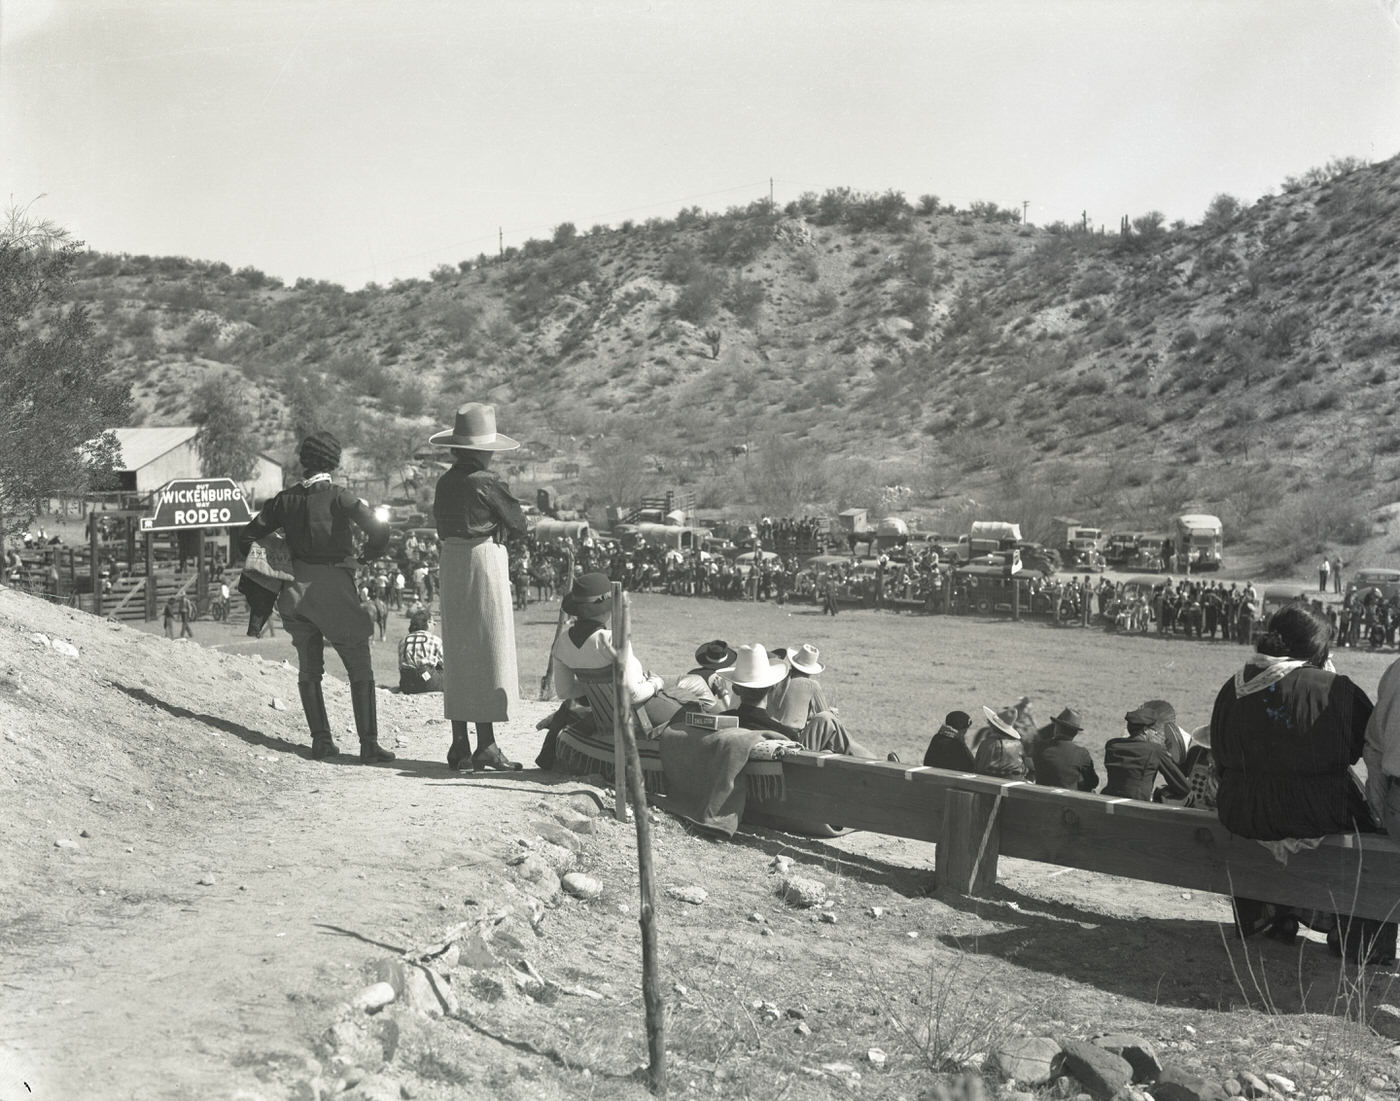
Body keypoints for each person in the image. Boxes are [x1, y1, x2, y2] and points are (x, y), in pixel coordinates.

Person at [1213, 603, 1393, 961]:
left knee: (1272, 815)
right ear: (1317, 648)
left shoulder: (1231, 688)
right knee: (1379, 836)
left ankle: (1270, 915)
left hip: (1241, 810)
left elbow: (1220, 755)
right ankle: (1358, 940)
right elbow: (1369, 745)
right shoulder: (1333, 688)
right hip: (1313, 811)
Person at [236, 431, 394, 763]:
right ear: (334, 462)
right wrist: (365, 557)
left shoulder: (284, 500)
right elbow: (380, 530)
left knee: (309, 668)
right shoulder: (341, 497)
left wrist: (280, 552)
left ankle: (321, 742)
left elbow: (247, 537)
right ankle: (368, 745)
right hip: (335, 588)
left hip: (294, 591)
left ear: (304, 461)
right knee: (359, 666)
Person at [431, 404, 529, 772]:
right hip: (482, 560)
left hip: (451, 560)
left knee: (459, 649)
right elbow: (519, 524)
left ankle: (459, 743)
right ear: (484, 450)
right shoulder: (486, 481)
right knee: (488, 648)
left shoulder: (445, 482)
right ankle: (486, 744)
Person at [723, 643, 876, 757]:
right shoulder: (785, 735)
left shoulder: (722, 723)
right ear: (771, 688)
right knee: (827, 719)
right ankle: (874, 761)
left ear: (735, 689)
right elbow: (822, 713)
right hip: (793, 764)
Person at [1101, 708, 1188, 801]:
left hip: (1107, 799)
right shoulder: (1154, 750)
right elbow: (1183, 787)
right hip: (1136, 804)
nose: (1155, 733)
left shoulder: (1112, 745)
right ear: (1145, 730)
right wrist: (1162, 791)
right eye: (1154, 730)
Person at [767, 643, 833, 730]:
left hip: (769, 726)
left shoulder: (778, 677)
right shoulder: (812, 685)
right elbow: (824, 716)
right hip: (792, 733)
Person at [1032, 708, 1098, 791]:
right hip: (1068, 798)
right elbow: (1093, 782)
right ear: (1075, 733)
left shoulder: (1039, 747)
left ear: (1056, 728)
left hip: (1040, 796)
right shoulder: (1081, 754)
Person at [972, 706, 1026, 779]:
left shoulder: (988, 744)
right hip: (1016, 780)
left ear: (993, 726)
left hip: (989, 782)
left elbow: (979, 768)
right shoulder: (1018, 744)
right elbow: (1024, 768)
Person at [398, 609, 444, 694]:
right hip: (426, 681)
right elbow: (446, 665)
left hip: (406, 683)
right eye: (433, 622)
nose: (435, 624)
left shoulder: (403, 640)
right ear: (428, 623)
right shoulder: (435, 640)